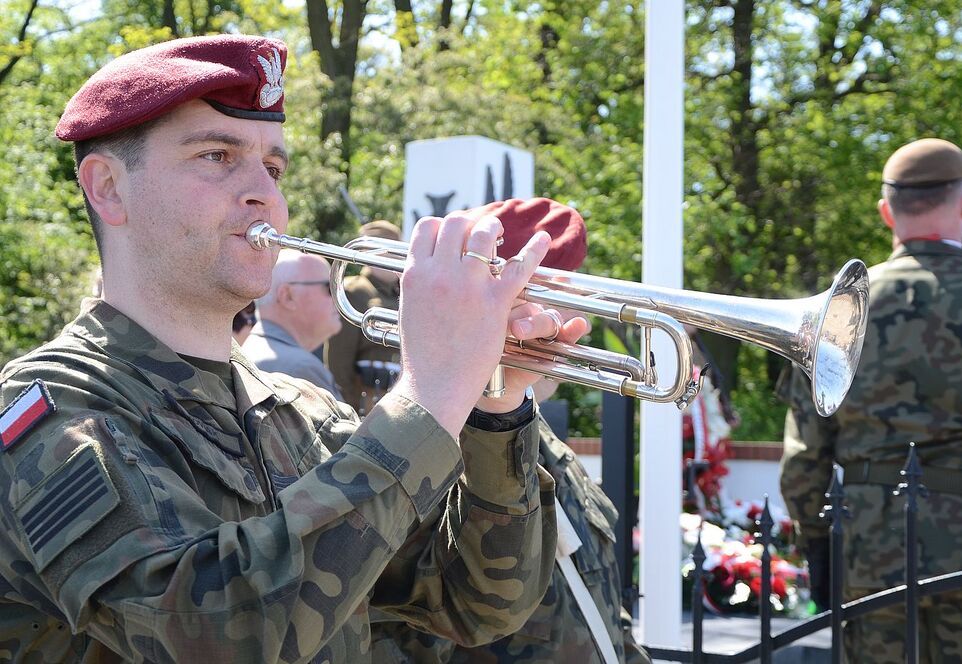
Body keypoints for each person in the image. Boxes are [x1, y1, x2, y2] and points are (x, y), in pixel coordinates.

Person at [0, 35, 582, 662]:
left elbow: (478, 604)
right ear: (108, 187)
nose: (264, 194)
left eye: (273, 168)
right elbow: (212, 636)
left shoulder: (302, 410)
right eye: (217, 155)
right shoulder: (54, 407)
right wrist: (428, 395)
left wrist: (495, 404)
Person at [370, 198, 652, 664]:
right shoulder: (426, 449)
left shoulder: (549, 446)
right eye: (559, 301)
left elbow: (601, 609)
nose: (570, 324)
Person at [779, 138, 962, 662]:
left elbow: (804, 459)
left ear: (886, 213)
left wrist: (820, 545)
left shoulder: (838, 311)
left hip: (868, 549)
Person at [325, 219, 403, 414]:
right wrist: (347, 408)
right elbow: (339, 361)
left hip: (398, 398)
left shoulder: (404, 293)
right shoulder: (354, 291)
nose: (398, 259)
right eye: (391, 252)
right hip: (366, 402)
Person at [242, 250, 343, 398]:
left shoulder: (251, 349)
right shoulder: (301, 368)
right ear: (287, 296)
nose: (339, 298)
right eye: (329, 288)